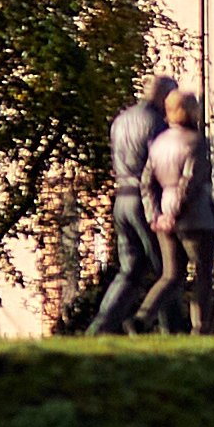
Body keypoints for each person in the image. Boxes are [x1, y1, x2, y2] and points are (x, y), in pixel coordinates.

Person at [82, 73, 180, 334]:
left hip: (121, 199)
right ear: (164, 96)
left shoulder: (120, 120)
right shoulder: (156, 122)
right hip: (144, 200)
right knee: (167, 271)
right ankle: (174, 331)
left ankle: (99, 329)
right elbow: (159, 165)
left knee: (130, 270)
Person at [142, 90, 214, 334]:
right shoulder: (196, 142)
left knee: (170, 274)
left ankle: (142, 318)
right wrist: (175, 213)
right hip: (195, 217)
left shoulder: (159, 143)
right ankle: (200, 326)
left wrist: (155, 215)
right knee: (203, 273)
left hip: (164, 211)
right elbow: (190, 182)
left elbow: (146, 183)